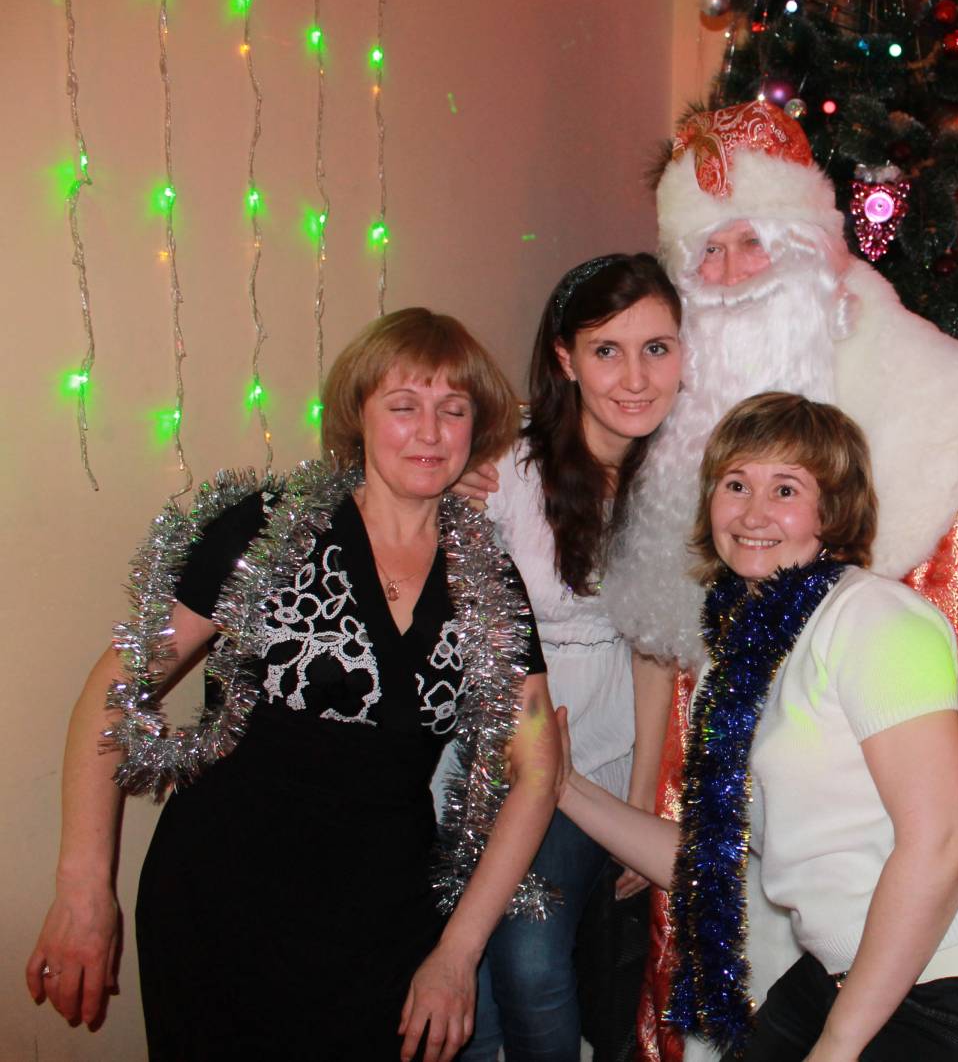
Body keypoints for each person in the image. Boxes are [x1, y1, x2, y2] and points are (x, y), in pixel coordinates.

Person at [25, 309, 561, 1062]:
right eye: (403, 406)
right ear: (359, 416)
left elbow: (536, 768)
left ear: (479, 426)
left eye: (453, 409)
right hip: (220, 903)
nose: (430, 432)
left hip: (384, 923)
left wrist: (457, 952)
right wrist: (84, 887)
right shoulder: (269, 528)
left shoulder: (488, 579)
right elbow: (115, 686)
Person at [557, 393, 958, 1061]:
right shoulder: (739, 661)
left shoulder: (874, 619)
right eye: (735, 484)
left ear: (832, 512)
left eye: (785, 489)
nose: (753, 513)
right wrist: (562, 784)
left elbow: (944, 844)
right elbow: (716, 867)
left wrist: (838, 1045)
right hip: (859, 970)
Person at [456, 254, 683, 1062]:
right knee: (471, 976)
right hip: (488, 738)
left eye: (656, 349)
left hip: (597, 748)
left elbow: (656, 649)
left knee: (531, 956)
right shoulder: (506, 469)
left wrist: (641, 798)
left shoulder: (679, 480)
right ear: (565, 359)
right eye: (606, 350)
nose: (635, 378)